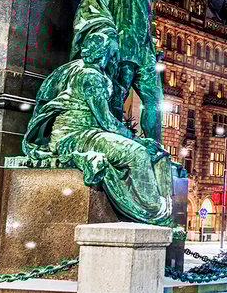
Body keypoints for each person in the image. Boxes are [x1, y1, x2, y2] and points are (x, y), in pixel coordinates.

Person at [22, 31, 172, 225]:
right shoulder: (92, 77)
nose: (115, 58)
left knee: (152, 153)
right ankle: (155, 210)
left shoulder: (78, 69)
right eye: (112, 53)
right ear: (105, 53)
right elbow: (107, 122)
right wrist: (137, 139)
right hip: (75, 136)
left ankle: (153, 205)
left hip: (84, 133)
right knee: (138, 153)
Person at [70, 0, 164, 144]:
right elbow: (95, 4)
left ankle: (156, 146)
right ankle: (112, 138)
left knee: (155, 99)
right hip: (122, 42)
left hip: (144, 47)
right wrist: (106, 35)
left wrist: (153, 43)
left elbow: (149, 17)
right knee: (117, 91)